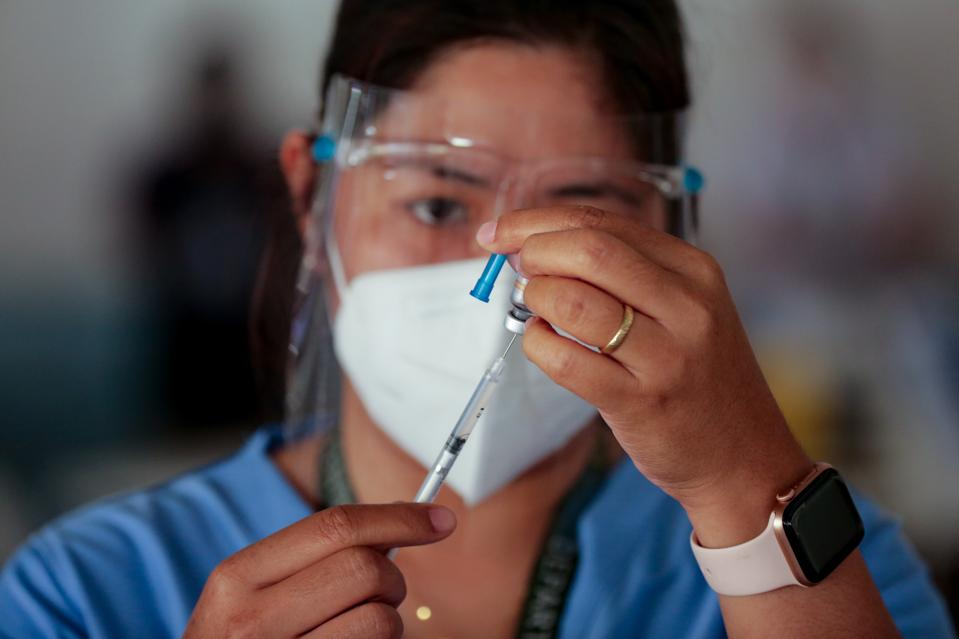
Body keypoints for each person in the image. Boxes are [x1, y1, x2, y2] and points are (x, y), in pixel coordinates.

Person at [0, 2, 954, 638]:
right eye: (436, 205)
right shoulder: (84, 592)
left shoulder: (824, 564)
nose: (501, 288)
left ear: (671, 229)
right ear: (307, 193)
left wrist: (754, 493)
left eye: (586, 217)